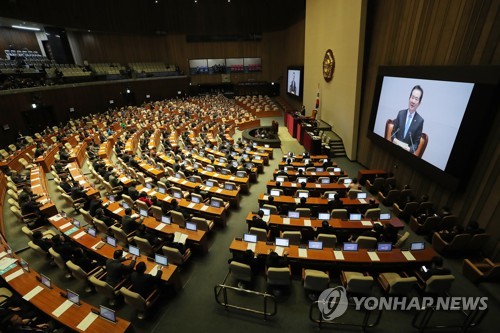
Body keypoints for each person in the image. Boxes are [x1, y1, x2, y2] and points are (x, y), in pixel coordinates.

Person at [390, 85, 425, 154]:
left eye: (416, 99)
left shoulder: (420, 121)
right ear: (409, 98)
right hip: (394, 150)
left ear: (419, 103)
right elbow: (393, 133)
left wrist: (409, 149)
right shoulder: (400, 114)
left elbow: (416, 144)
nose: (413, 101)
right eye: (412, 97)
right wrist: (394, 139)